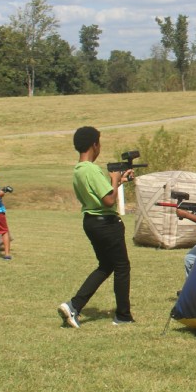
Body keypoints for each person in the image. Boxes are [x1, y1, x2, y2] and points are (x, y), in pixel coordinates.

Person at [58, 126, 134, 328]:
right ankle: (123, 315)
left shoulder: (79, 170)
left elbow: (101, 194)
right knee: (122, 267)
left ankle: (73, 305)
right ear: (94, 144)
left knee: (106, 266)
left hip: (91, 222)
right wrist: (114, 179)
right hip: (106, 223)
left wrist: (119, 181)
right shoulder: (92, 169)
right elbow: (109, 201)